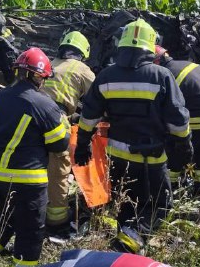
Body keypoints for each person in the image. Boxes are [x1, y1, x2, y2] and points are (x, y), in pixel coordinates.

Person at [74, 19, 192, 254]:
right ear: (150, 46)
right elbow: (178, 120)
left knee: (125, 204)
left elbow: (89, 116)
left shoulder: (106, 76)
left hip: (117, 157)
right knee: (159, 207)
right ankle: (130, 242)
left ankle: (122, 245)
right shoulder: (161, 76)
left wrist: (83, 144)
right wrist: (184, 146)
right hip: (151, 158)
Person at [0, 48, 70, 267]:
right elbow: (59, 144)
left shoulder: (1, 97)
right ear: (38, 76)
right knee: (30, 232)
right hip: (26, 180)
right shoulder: (44, 104)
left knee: (4, 222)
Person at [154, 45, 200, 197]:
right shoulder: (188, 64)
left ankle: (171, 189)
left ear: (156, 61)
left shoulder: (166, 75)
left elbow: (169, 109)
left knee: (175, 151)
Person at [40, 31, 95, 231]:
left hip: (30, 115)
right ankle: (57, 217)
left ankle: (3, 209)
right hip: (54, 119)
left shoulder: (49, 63)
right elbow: (98, 98)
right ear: (83, 53)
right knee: (58, 167)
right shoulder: (82, 69)